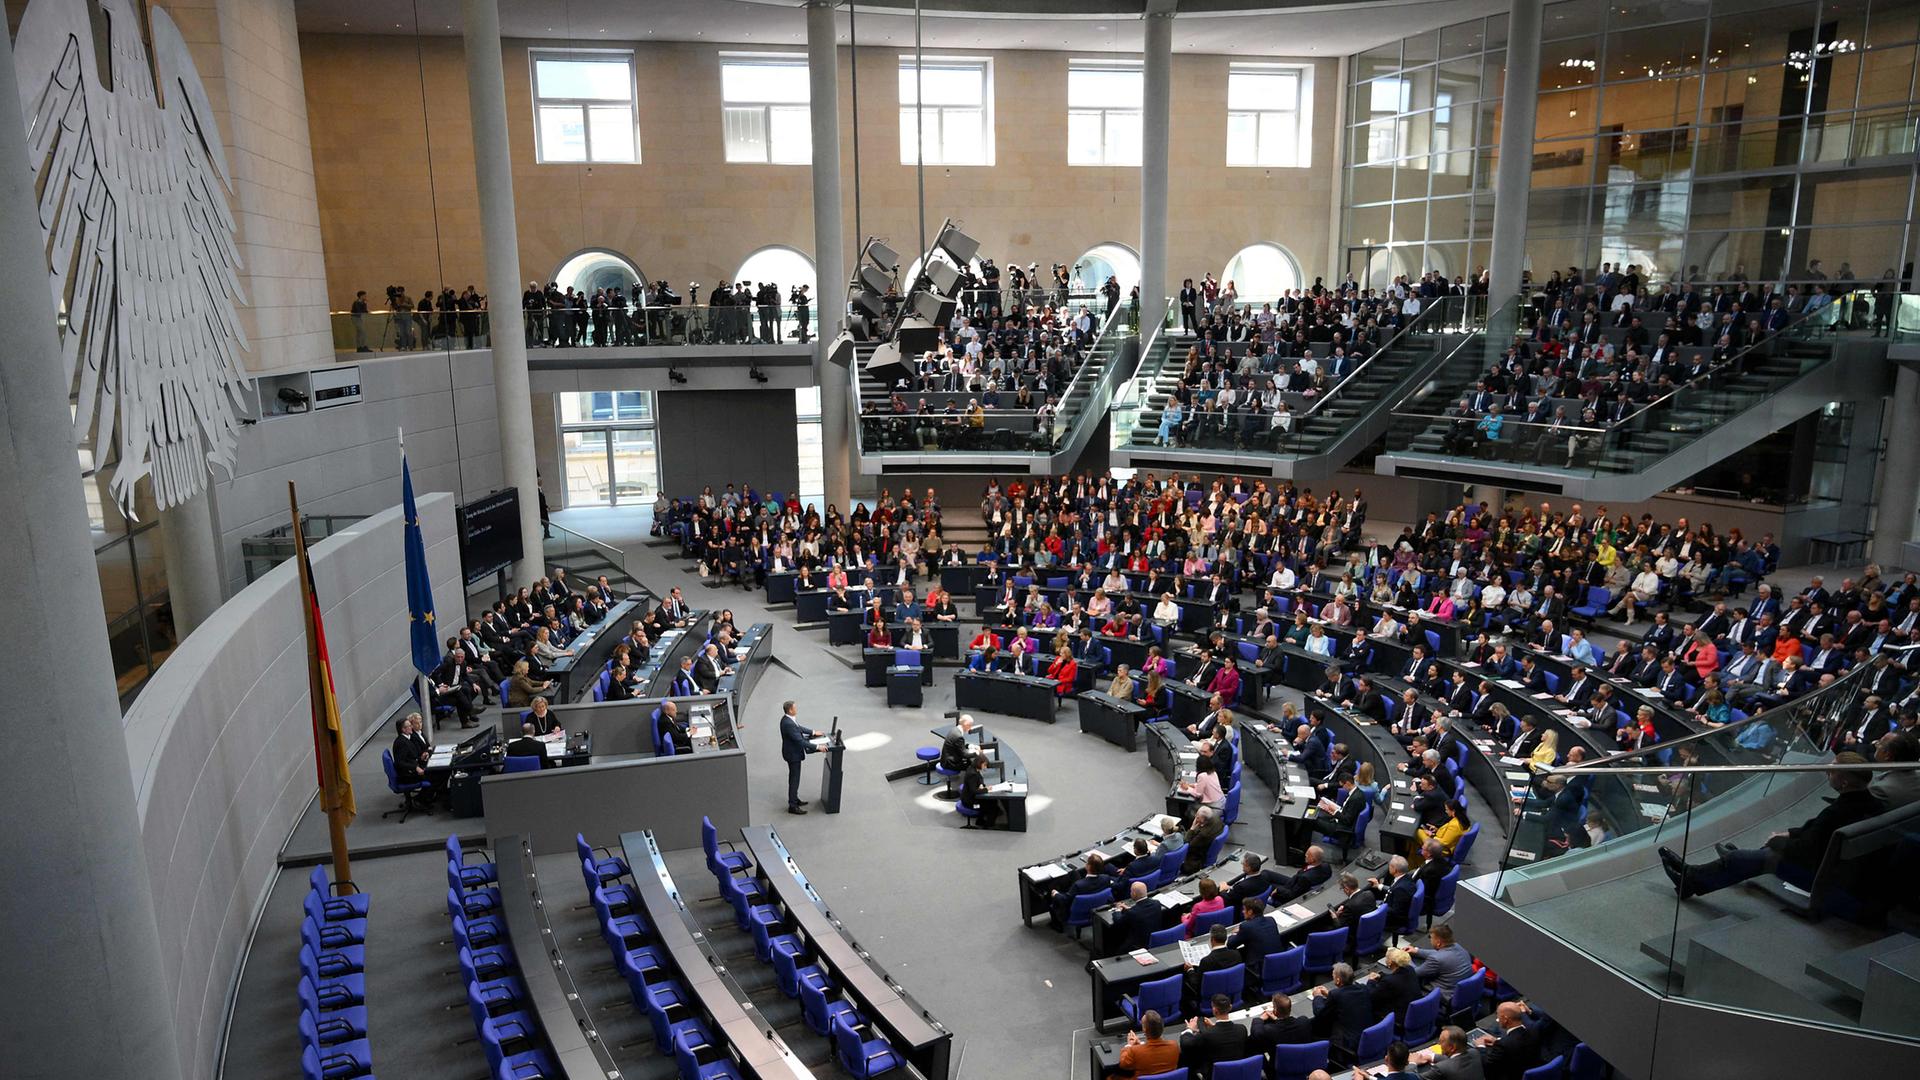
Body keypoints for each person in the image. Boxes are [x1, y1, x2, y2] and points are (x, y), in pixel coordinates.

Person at [1660, 752, 1884, 898]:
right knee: (1754, 855)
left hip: (1821, 875)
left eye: (1833, 770)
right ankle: (1727, 862)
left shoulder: (1837, 811)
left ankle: (1690, 881)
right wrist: (1790, 832)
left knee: (1759, 854)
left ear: (1844, 781)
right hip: (1833, 863)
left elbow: (1804, 850)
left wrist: (1778, 840)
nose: (1828, 772)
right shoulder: (1868, 802)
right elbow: (1818, 831)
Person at [1180, 994, 1252, 1075]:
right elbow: (1224, 1035)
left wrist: (1189, 1029)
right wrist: (1214, 1027)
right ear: (1230, 1007)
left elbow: (1186, 1044)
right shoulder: (1242, 1029)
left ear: (1215, 1010)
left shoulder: (1207, 1035)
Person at [1310, 962, 1374, 1052]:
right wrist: (1329, 994)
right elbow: (1347, 999)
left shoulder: (1336, 994)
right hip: (1368, 1036)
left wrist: (1317, 996)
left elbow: (1320, 1014)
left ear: (1338, 981)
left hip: (1349, 1042)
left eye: (1333, 976)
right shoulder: (1362, 988)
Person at [1471, 1002, 1541, 1080]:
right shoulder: (1533, 1030)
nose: (1497, 1019)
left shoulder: (1504, 1044)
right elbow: (1517, 1042)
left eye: (1498, 1015)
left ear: (1505, 1019)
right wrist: (1497, 1040)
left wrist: (1480, 1046)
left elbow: (1488, 1064)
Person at [778, 700, 822, 815]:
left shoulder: (787, 719)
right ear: (790, 710)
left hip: (792, 753)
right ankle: (792, 805)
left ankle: (794, 799)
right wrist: (818, 747)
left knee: (794, 778)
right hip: (793, 755)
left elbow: (799, 728)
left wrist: (813, 732)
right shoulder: (788, 724)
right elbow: (800, 741)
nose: (796, 709)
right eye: (795, 708)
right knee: (794, 779)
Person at [1408, 924, 1474, 998]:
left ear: (1438, 942)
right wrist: (1417, 951)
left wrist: (1406, 960)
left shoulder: (1436, 959)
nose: (1430, 939)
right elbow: (1439, 953)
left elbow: (1415, 973)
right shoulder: (1458, 946)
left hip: (1446, 994)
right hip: (1463, 990)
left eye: (1431, 937)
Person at [1116, 1009, 1181, 1080]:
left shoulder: (1134, 1051)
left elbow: (1123, 1064)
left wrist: (1129, 1045)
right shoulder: (1174, 1046)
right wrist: (1140, 1044)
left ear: (1144, 1029)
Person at [1368, 947, 1422, 1025]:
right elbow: (1395, 978)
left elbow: (1372, 996)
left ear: (1390, 962)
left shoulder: (1389, 981)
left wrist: (1371, 981)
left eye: (1386, 957)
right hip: (1412, 1012)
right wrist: (1381, 976)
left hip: (1399, 1018)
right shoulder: (1410, 969)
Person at [1250, 993, 1318, 1053]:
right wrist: (1277, 1019)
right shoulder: (1304, 1021)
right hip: (1302, 1057)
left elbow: (1257, 1033)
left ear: (1275, 1010)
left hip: (1278, 1065)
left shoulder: (1270, 1030)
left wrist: (1260, 1018)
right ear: (1290, 1009)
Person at [1411, 1026, 1485, 1079]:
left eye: (1441, 1041)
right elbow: (1456, 1059)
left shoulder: (1441, 1068)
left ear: (1452, 1048)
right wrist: (1431, 1056)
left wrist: (1412, 1063)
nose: (1439, 1044)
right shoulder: (1475, 1052)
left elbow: (1416, 1078)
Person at [391, 712, 433, 798]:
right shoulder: (401, 743)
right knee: (434, 775)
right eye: (409, 726)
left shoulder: (406, 739)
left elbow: (410, 757)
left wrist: (420, 757)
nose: (411, 727)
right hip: (407, 775)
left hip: (411, 770)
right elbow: (400, 762)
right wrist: (416, 768)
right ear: (403, 729)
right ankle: (422, 799)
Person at [959, 751, 1001, 829]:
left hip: (972, 798)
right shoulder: (972, 774)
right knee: (992, 807)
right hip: (970, 803)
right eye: (984, 765)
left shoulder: (973, 769)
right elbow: (974, 791)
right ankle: (988, 826)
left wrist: (981, 785)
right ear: (979, 763)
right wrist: (986, 789)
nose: (985, 767)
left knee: (993, 801)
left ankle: (980, 820)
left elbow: (980, 779)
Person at [1183, 806, 1225, 874]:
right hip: (1207, 846)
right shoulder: (1216, 818)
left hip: (1198, 857)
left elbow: (1187, 845)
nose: (1195, 816)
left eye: (1197, 816)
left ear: (1203, 819)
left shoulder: (1204, 834)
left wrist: (1192, 829)